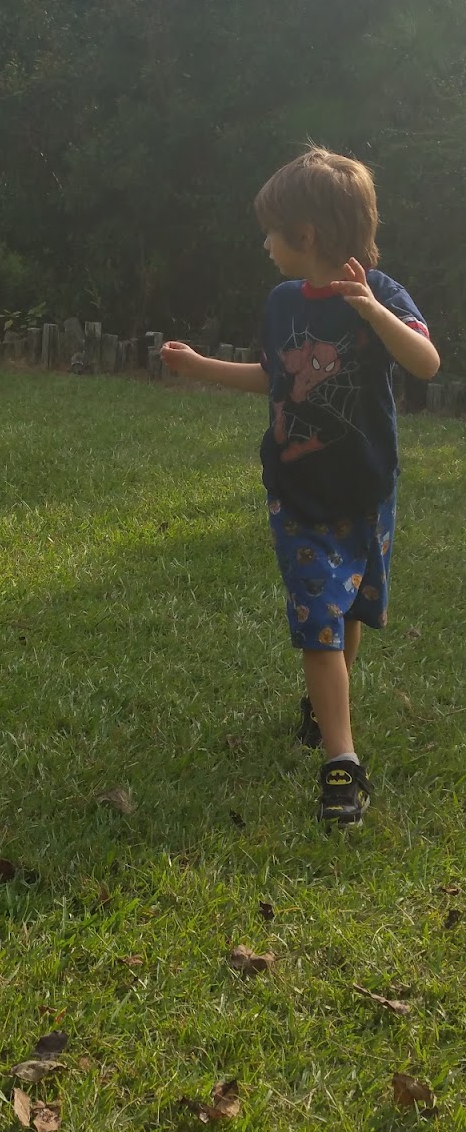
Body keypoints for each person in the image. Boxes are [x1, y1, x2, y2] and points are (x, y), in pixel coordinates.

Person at [161, 147, 440, 827]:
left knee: (347, 615)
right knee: (318, 626)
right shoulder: (283, 302)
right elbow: (275, 378)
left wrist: (373, 311)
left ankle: (322, 710)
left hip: (366, 492)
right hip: (298, 494)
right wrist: (201, 367)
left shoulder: (383, 293)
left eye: (271, 231)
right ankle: (343, 764)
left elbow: (425, 364)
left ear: (306, 235)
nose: (265, 244)